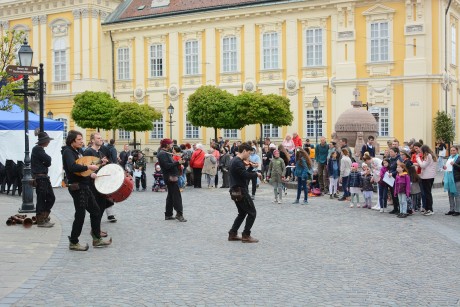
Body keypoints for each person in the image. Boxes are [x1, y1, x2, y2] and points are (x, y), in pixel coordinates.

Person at [61, 130, 112, 251]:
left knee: (95, 211)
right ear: (72, 140)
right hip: (77, 187)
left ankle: (96, 238)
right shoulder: (68, 152)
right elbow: (73, 167)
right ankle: (74, 242)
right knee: (80, 215)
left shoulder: (77, 151)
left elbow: (83, 169)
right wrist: (89, 167)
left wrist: (99, 164)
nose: (82, 142)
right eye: (79, 140)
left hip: (84, 186)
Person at [228, 142, 262, 243]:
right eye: (249, 153)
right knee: (252, 212)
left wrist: (251, 167)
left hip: (235, 189)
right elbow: (245, 175)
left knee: (242, 213)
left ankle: (233, 233)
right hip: (240, 190)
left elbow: (243, 173)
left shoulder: (234, 160)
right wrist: (256, 174)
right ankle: (246, 235)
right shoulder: (238, 162)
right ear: (244, 151)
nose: (249, 155)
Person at [83, 132, 113, 231]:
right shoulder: (88, 152)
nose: (101, 139)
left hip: (100, 184)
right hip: (91, 185)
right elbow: (84, 168)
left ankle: (97, 229)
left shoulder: (100, 153)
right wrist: (91, 174)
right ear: (92, 140)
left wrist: (103, 164)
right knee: (95, 208)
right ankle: (95, 230)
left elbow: (98, 166)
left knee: (102, 206)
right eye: (98, 138)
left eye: (101, 138)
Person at [156, 138, 187, 222]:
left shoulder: (166, 153)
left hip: (171, 176)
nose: (172, 145)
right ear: (166, 145)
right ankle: (179, 214)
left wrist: (179, 161)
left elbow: (171, 163)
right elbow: (167, 166)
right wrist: (178, 162)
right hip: (170, 177)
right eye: (170, 144)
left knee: (170, 195)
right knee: (177, 196)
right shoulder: (162, 154)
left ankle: (168, 214)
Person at [31, 132, 56, 228]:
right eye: (48, 140)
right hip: (40, 178)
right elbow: (48, 159)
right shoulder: (37, 149)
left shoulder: (40, 149)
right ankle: (41, 220)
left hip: (43, 177)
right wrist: (46, 162)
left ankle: (44, 217)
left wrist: (46, 163)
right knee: (41, 199)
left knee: (51, 198)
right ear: (44, 141)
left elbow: (47, 162)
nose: (49, 142)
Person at [415, 145, 437, 216]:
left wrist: (417, 158)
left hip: (427, 177)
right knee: (428, 193)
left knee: (427, 193)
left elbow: (423, 165)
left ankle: (430, 209)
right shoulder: (431, 155)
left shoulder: (428, 156)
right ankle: (427, 209)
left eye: (421, 151)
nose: (421, 152)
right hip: (430, 176)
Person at [443, 145, 460, 216]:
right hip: (449, 179)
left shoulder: (459, 158)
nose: (452, 152)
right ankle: (451, 209)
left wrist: (454, 164)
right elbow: (447, 168)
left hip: (456, 179)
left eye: (454, 150)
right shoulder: (449, 158)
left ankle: (457, 210)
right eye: (451, 150)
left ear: (457, 151)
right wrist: (445, 167)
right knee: (450, 195)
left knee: (457, 195)